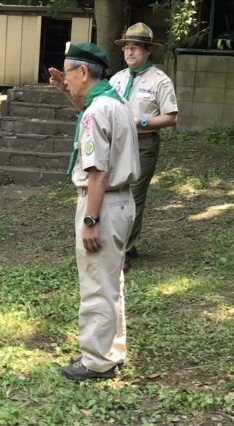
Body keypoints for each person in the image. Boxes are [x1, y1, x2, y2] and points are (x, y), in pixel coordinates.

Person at [52, 42, 140, 381]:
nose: (67, 79)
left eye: (69, 73)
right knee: (110, 280)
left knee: (95, 284)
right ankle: (110, 350)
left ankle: (95, 360)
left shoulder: (95, 112)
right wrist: (66, 92)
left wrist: (90, 220)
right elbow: (85, 106)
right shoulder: (113, 102)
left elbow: (97, 172)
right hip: (121, 201)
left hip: (102, 203)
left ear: (83, 71)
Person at [110, 23, 179, 272]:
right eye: (127, 47)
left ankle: (124, 252)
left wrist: (142, 121)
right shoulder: (116, 79)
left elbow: (171, 117)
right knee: (114, 195)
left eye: (136, 48)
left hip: (143, 143)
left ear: (148, 51)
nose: (130, 53)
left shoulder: (160, 81)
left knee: (133, 197)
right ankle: (123, 243)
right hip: (117, 145)